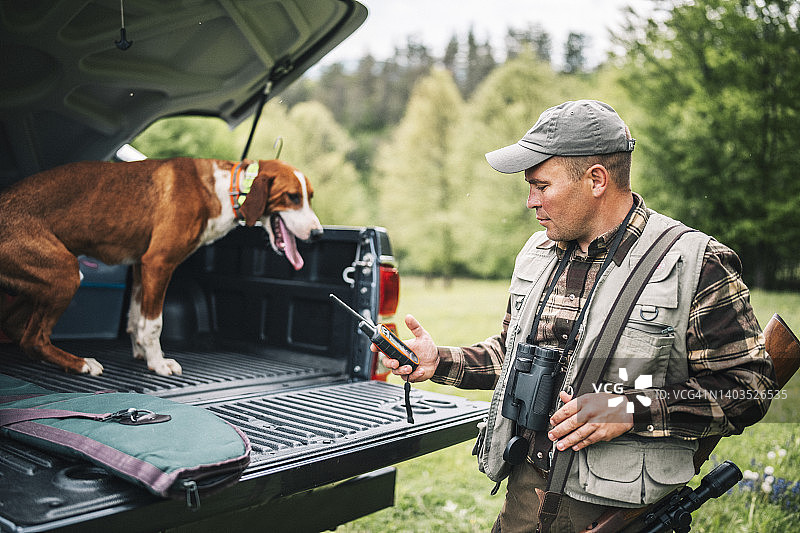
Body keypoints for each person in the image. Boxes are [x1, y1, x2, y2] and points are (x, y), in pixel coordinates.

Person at [379, 100, 776, 532]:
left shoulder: (697, 263)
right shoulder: (537, 254)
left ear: (596, 180)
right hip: (525, 497)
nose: (530, 201)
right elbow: (512, 357)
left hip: (618, 512)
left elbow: (750, 390)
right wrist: (439, 360)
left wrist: (630, 409)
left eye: (541, 186)